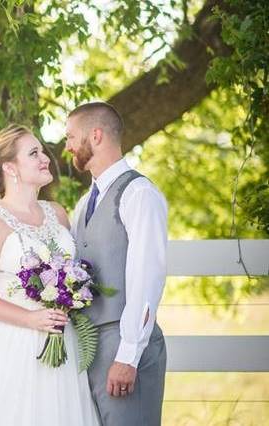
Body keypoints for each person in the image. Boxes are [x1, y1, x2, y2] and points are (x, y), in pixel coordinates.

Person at [0, 124, 99, 426]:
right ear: (10, 167)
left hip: (63, 337)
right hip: (15, 344)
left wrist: (70, 294)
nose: (45, 158)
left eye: (42, 150)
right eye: (34, 153)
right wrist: (30, 319)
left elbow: (70, 269)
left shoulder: (57, 213)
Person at [66, 102, 168, 426]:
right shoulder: (84, 204)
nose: (66, 145)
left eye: (71, 136)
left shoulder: (139, 194)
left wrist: (128, 355)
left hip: (124, 346)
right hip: (88, 346)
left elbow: (146, 278)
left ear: (95, 136)